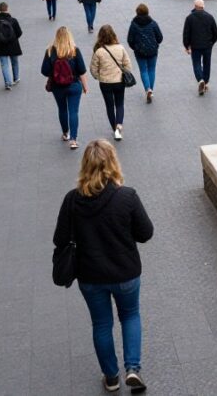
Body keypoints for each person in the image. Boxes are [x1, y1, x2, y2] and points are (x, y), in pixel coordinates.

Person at [53, 139, 154, 393]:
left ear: (85, 166)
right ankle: (133, 368)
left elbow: (60, 239)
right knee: (130, 315)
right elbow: (146, 233)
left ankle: (111, 377)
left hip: (90, 276)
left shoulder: (72, 200)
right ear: (112, 164)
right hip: (126, 273)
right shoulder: (126, 196)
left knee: (101, 324)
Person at [41, 26, 89, 150]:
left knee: (62, 109)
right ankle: (73, 139)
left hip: (58, 87)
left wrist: (54, 72)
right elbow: (82, 70)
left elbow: (44, 71)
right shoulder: (74, 50)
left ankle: (65, 133)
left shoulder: (50, 51)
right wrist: (85, 86)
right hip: (74, 85)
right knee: (74, 111)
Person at [90, 25, 132, 142]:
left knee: (109, 105)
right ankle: (119, 125)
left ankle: (114, 128)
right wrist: (123, 73)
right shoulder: (121, 48)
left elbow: (93, 68)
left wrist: (99, 77)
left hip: (105, 83)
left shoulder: (99, 51)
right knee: (119, 104)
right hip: (119, 81)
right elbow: (128, 65)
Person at [127, 3, 163, 104]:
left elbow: (130, 39)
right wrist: (155, 44)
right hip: (152, 50)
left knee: (143, 70)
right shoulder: (153, 23)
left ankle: (147, 89)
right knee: (151, 69)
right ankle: (150, 90)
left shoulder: (134, 24)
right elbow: (160, 37)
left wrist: (135, 47)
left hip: (140, 52)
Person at [182, 0, 217, 96]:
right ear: (203, 6)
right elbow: (215, 32)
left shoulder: (189, 18)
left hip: (195, 46)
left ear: (195, 6)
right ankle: (205, 82)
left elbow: (186, 33)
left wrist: (187, 45)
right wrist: (212, 42)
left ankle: (200, 80)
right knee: (207, 64)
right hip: (207, 45)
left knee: (196, 63)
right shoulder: (210, 17)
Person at [0, 1, 22, 90]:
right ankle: (16, 78)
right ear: (7, 8)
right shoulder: (13, 20)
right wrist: (13, 38)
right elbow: (19, 32)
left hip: (1, 46)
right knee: (14, 62)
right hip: (13, 45)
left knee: (4, 64)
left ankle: (8, 82)